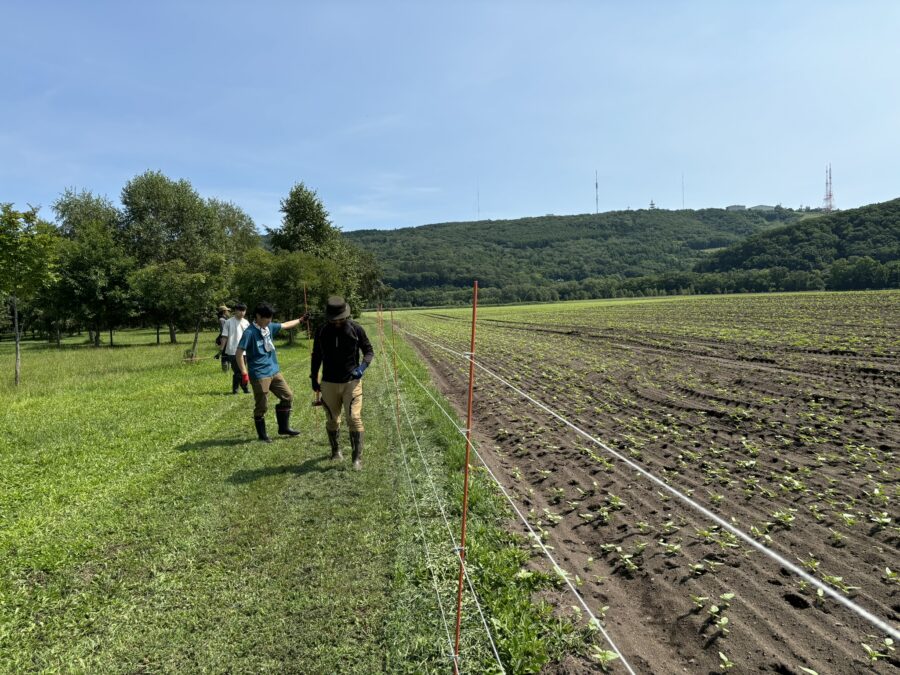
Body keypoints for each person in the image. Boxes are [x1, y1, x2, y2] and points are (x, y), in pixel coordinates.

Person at [310, 296, 374, 470]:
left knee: (354, 418)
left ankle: (357, 458)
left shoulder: (356, 330)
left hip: (351, 382)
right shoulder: (322, 331)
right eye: (333, 320)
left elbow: (369, 351)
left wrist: (362, 368)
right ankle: (336, 451)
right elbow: (316, 355)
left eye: (340, 319)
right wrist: (314, 377)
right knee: (332, 419)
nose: (337, 323)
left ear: (346, 316)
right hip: (329, 382)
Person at [235, 302, 308, 442]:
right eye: (266, 318)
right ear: (258, 316)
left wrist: (301, 320)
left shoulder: (268, 328)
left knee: (287, 396)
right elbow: (239, 353)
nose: (269, 321)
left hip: (274, 371)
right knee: (262, 405)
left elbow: (285, 325)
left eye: (270, 318)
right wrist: (244, 373)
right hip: (259, 374)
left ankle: (283, 428)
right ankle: (262, 435)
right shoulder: (249, 332)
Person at [219, 302, 250, 394]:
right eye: (240, 311)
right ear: (236, 311)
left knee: (243, 371)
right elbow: (224, 337)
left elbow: (250, 337)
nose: (242, 313)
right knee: (238, 371)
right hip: (232, 351)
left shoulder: (246, 322)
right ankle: (238, 389)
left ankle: (242, 388)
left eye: (243, 311)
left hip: (244, 351)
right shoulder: (228, 322)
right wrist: (221, 350)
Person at [215, 305, 231, 372]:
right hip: (224, 339)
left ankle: (228, 369)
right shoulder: (222, 320)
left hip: (227, 338)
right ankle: (225, 371)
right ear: (224, 312)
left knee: (228, 354)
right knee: (224, 354)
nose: (228, 312)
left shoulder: (225, 319)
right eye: (227, 311)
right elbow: (223, 331)